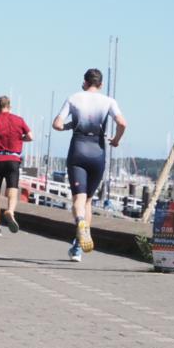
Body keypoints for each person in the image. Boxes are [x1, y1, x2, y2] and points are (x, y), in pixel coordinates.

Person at [52, 68, 127, 262]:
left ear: (84, 82)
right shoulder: (108, 101)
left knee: (78, 197)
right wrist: (117, 140)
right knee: (88, 201)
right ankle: (77, 247)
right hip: (98, 153)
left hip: (78, 150)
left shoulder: (74, 98)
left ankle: (80, 223)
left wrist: (69, 125)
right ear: (100, 85)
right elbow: (122, 123)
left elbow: (57, 124)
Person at [0, 96, 32, 236]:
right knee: (13, 189)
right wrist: (20, 138)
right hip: (13, 159)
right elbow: (30, 136)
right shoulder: (19, 120)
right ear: (9, 107)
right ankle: (10, 210)